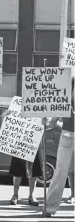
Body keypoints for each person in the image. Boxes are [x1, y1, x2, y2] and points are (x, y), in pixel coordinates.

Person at [43, 76, 74, 217]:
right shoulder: (63, 100)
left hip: (67, 135)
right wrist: (46, 121)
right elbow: (52, 123)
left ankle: (49, 208)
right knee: (60, 172)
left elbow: (52, 123)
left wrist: (49, 122)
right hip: (67, 135)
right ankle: (49, 207)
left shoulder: (63, 99)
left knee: (60, 172)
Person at [1, 109, 43, 206]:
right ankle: (15, 195)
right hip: (20, 140)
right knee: (17, 170)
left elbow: (48, 124)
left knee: (34, 170)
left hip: (34, 141)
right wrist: (6, 116)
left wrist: (46, 121)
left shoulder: (41, 107)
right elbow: (6, 123)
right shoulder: (18, 106)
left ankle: (31, 196)